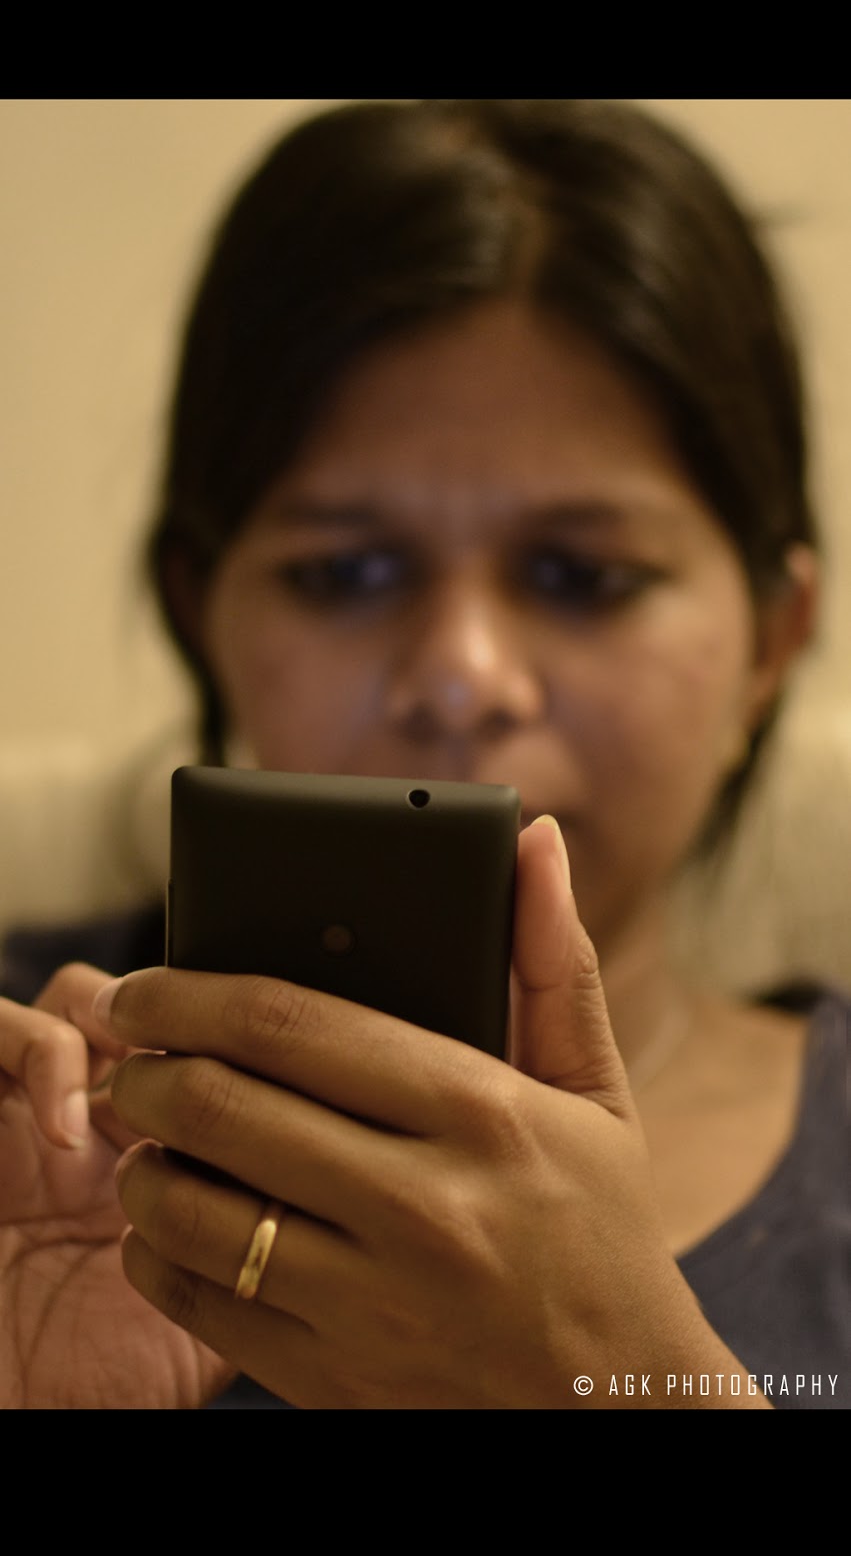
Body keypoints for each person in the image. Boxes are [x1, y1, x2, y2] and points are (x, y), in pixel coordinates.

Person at [0, 98, 846, 1410]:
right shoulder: (26, 1128)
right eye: (346, 571)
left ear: (771, 645)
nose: (462, 676)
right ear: (200, 612)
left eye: (583, 575)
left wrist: (630, 1381)